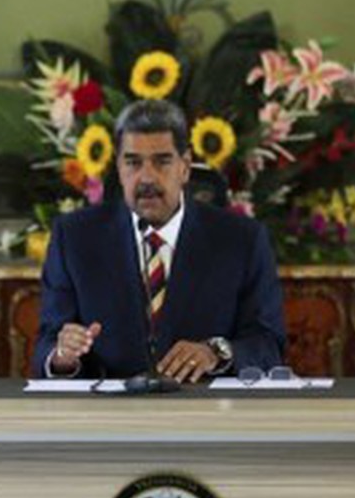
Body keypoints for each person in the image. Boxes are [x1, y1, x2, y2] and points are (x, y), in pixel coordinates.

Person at [31, 99, 285, 383]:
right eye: (133, 162)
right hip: (109, 416)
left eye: (162, 161)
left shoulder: (242, 239)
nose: (147, 177)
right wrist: (63, 356)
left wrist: (216, 353)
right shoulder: (75, 238)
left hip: (205, 412)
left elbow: (268, 345)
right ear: (118, 167)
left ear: (185, 166)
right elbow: (46, 346)